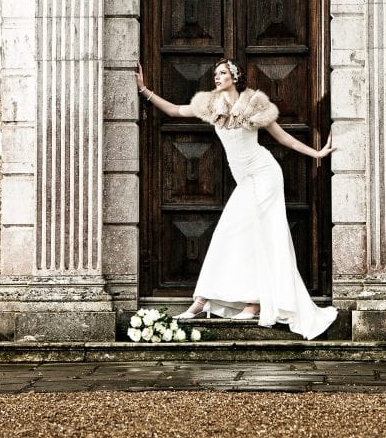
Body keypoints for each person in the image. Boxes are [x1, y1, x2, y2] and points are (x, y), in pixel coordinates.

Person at [135, 56, 338, 340]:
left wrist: (316, 153)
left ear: (234, 75)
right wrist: (145, 90)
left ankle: (216, 302)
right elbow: (176, 111)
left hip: (264, 175)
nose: (216, 77)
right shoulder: (210, 105)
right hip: (245, 179)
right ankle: (231, 301)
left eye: (222, 73)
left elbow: (283, 138)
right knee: (243, 237)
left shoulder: (255, 104)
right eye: (215, 74)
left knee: (246, 234)